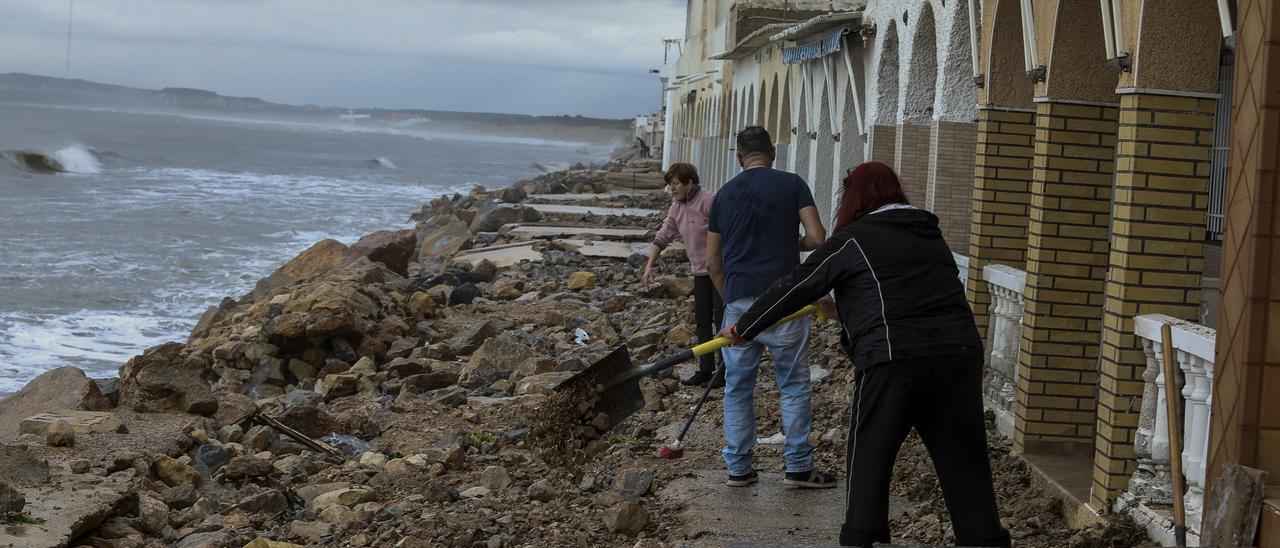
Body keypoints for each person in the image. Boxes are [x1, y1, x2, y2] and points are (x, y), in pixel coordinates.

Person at [718, 162, 1011, 547]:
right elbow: (905, 295)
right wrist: (840, 309)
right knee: (965, 461)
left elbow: (797, 285)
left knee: (869, 456)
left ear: (854, 198)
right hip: (957, 356)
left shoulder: (854, 239)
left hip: (892, 359)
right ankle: (983, 539)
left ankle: (862, 538)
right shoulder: (929, 235)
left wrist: (745, 327)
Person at [705, 126, 835, 489]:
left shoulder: (723, 196)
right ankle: (797, 467)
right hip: (785, 304)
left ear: (738, 157)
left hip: (740, 306)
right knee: (792, 384)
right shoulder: (792, 184)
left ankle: (739, 469)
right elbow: (818, 238)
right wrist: (790, 241)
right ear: (772, 153)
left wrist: (730, 299)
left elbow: (712, 261)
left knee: (738, 386)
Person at [642, 162, 723, 388]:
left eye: (675, 184)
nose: (672, 189)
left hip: (719, 270)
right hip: (699, 272)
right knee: (702, 321)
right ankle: (706, 370)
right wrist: (649, 266)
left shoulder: (709, 200)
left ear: (690, 182)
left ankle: (725, 371)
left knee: (722, 319)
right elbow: (663, 235)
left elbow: (729, 231)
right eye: (670, 185)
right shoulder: (676, 206)